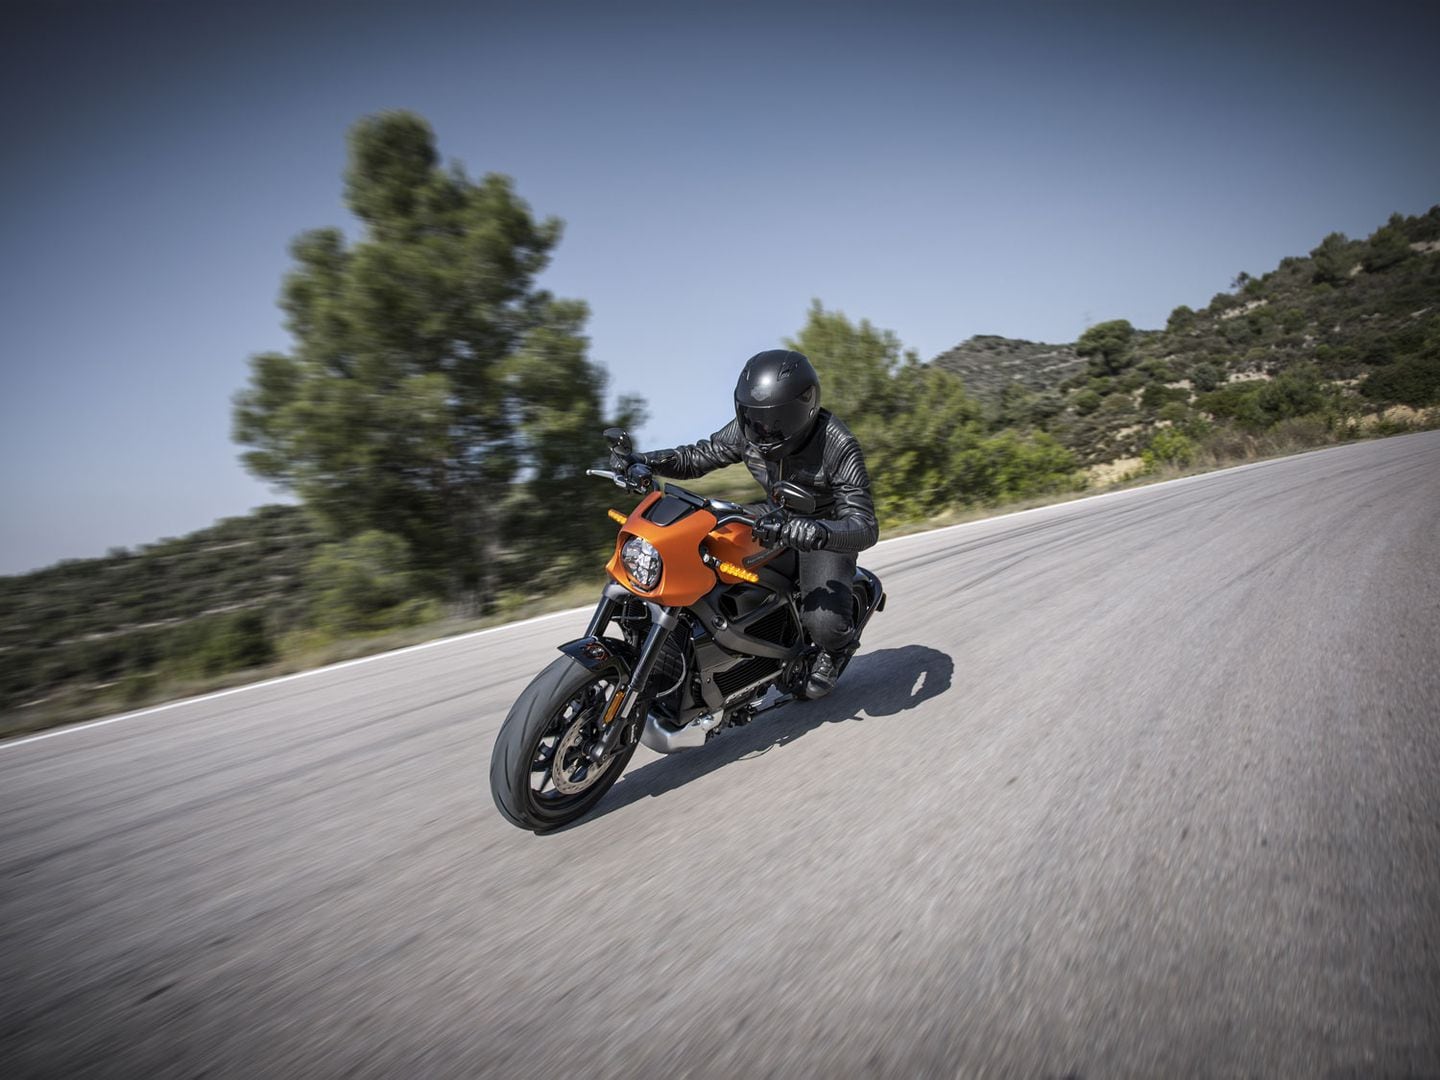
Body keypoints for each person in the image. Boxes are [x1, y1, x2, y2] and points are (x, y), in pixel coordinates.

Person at [615, 349, 879, 698]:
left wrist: (818, 532)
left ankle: (835, 651)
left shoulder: (838, 444)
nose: (762, 429)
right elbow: (698, 456)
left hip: (823, 528)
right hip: (774, 513)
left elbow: (865, 524)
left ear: (805, 407)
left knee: (824, 624)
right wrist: (645, 462)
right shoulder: (749, 429)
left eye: (775, 420)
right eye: (753, 417)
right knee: (702, 546)